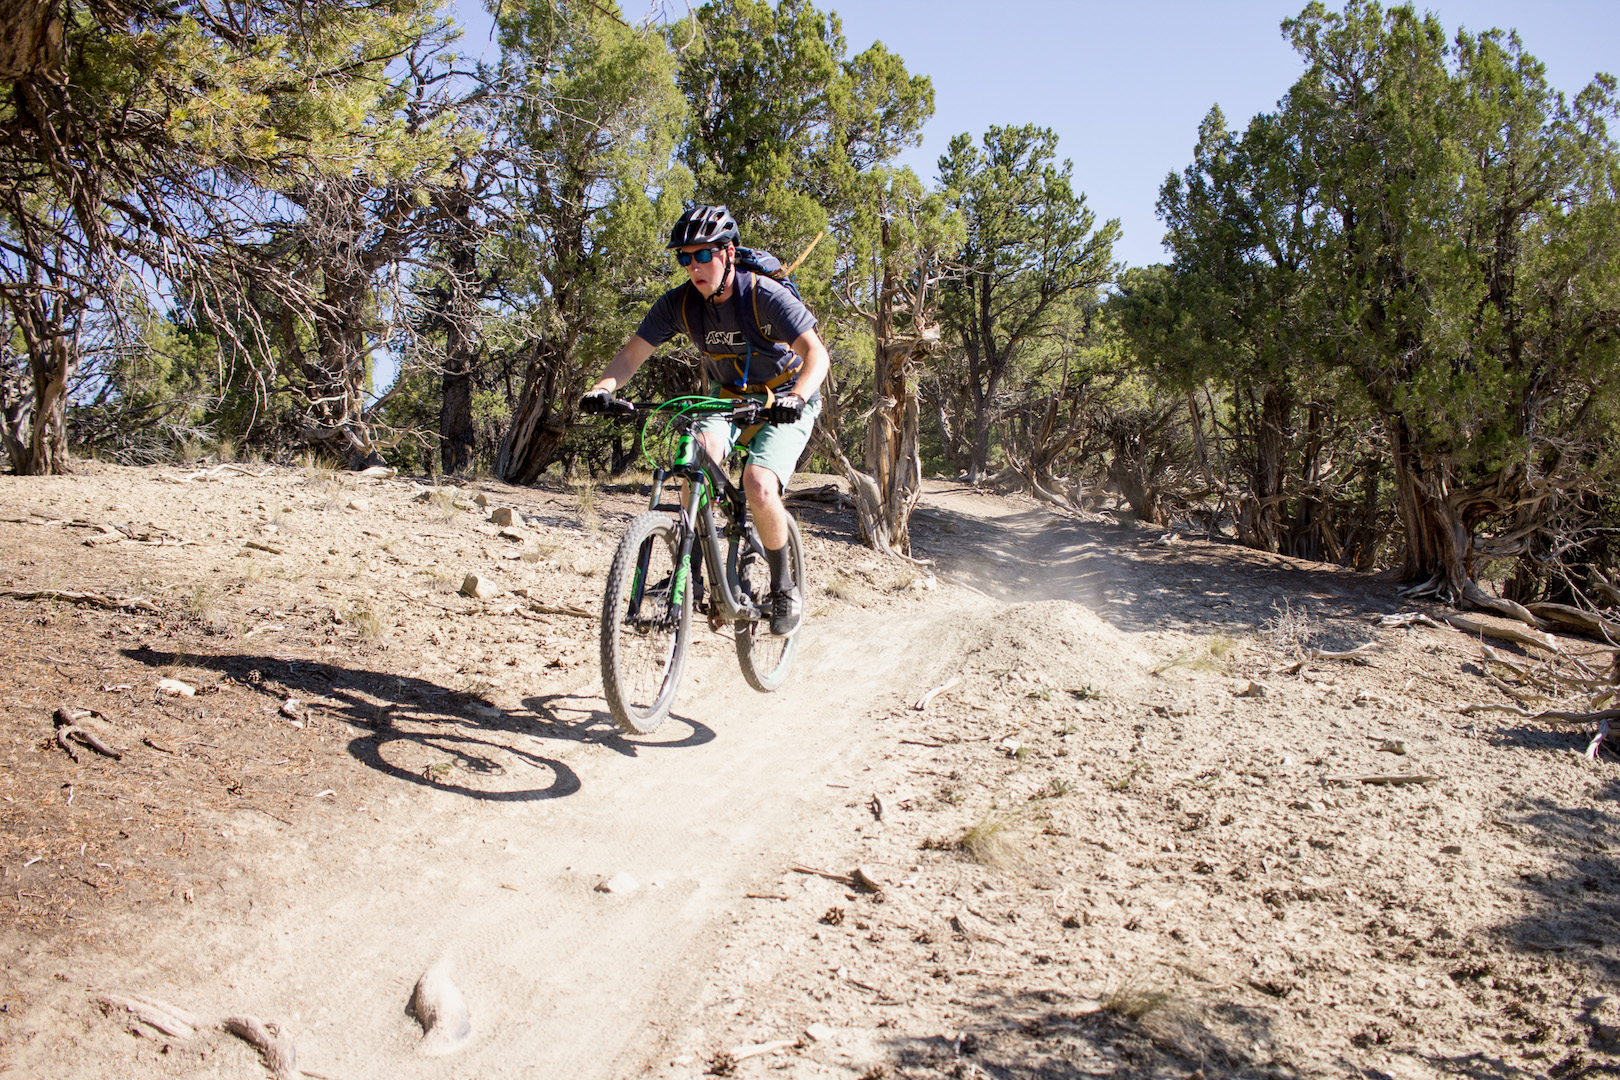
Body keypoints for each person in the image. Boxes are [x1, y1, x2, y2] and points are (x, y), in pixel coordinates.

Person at [581, 204, 828, 637]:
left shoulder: (764, 295)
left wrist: (797, 397)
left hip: (787, 397)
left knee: (758, 484)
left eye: (702, 255)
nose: (693, 266)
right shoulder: (680, 304)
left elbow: (817, 355)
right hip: (727, 398)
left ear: (728, 252)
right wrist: (603, 388)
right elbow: (631, 355)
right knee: (695, 456)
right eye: (684, 257)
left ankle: (783, 587)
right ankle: (689, 574)